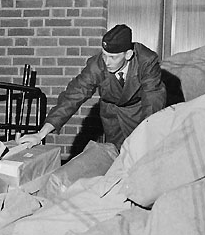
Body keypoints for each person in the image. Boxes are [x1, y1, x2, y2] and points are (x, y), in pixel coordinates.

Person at [18, 24, 166, 150]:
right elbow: (73, 96)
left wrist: (149, 133)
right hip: (111, 114)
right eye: (104, 55)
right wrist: (41, 134)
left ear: (128, 54)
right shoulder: (97, 65)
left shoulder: (146, 61)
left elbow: (153, 99)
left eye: (113, 57)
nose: (106, 62)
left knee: (144, 152)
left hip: (139, 112)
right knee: (116, 156)